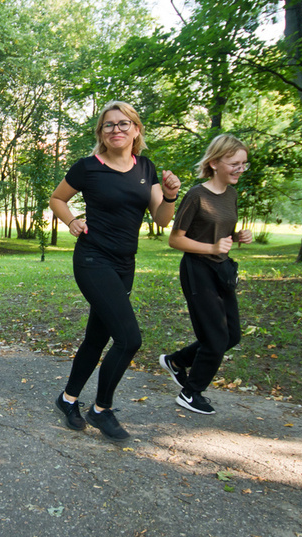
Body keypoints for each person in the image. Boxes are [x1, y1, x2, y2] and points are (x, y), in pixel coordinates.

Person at [49, 101, 181, 441]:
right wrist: (72, 220)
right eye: (109, 125)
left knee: (98, 336)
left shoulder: (146, 168)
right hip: (93, 260)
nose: (117, 130)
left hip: (125, 264)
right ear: (101, 134)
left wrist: (169, 196)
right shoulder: (88, 167)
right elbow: (57, 199)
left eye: (124, 124)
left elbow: (162, 219)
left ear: (136, 130)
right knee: (129, 338)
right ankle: (101, 410)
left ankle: (67, 399)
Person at [159, 134, 252, 415]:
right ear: (214, 162)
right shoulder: (197, 196)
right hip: (198, 270)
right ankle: (191, 393)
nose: (239, 169)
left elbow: (220, 233)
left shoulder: (232, 195)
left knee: (231, 335)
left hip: (221, 269)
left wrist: (236, 236)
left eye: (243, 164)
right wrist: (212, 246)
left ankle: (176, 362)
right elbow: (175, 240)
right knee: (215, 338)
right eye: (234, 163)